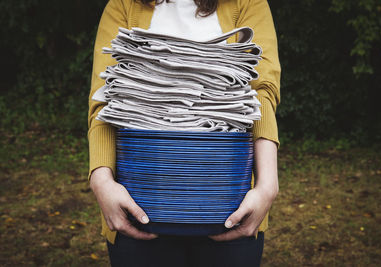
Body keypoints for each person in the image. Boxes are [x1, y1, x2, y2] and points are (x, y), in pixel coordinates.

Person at [88, 0, 280, 266]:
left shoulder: (247, 2)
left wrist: (267, 185)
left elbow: (262, 92)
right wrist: (101, 181)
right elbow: (104, 99)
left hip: (232, 207)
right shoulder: (123, 4)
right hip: (136, 204)